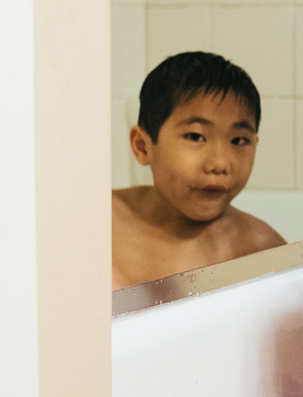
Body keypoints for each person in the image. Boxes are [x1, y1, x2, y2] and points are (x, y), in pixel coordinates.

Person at [111, 51, 284, 288]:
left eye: (239, 140)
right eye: (196, 136)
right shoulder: (103, 222)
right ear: (143, 147)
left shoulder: (261, 249)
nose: (220, 164)